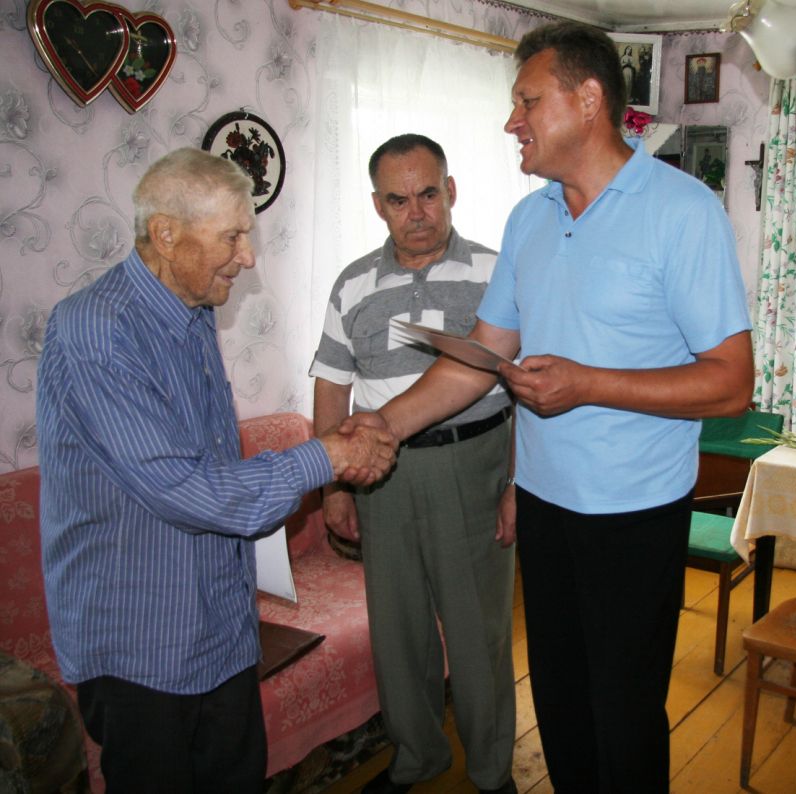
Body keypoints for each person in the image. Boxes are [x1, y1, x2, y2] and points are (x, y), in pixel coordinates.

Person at [343, 23, 754, 794]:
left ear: (588, 99)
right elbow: (482, 354)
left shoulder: (682, 210)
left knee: (623, 714)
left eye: (527, 101)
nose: (512, 122)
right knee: (560, 704)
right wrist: (383, 426)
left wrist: (588, 384)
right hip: (543, 504)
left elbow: (732, 383)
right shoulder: (529, 219)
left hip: (634, 512)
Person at [36, 147, 397, 794]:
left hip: (221, 625)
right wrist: (328, 455)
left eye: (246, 235)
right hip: (141, 642)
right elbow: (185, 488)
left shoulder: (195, 308)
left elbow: (212, 462)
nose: (248, 256)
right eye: (232, 236)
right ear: (166, 234)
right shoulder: (96, 329)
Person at [309, 134, 517, 794]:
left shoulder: (497, 272)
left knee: (479, 633)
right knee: (397, 633)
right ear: (378, 205)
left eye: (429, 194)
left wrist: (518, 485)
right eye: (398, 200)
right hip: (381, 479)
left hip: (474, 467)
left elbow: (529, 388)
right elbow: (331, 388)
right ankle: (417, 758)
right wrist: (333, 489)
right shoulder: (352, 283)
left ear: (451, 191)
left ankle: (491, 772)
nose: (417, 212)